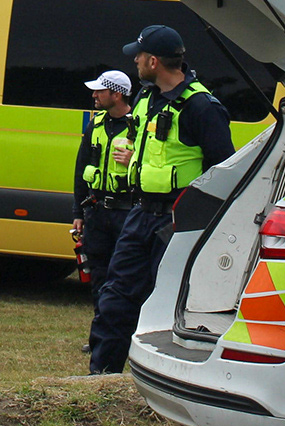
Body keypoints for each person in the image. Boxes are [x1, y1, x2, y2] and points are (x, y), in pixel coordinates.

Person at [87, 26, 233, 375]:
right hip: (140, 214)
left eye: (138, 55)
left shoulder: (202, 107)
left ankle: (160, 379)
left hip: (177, 221)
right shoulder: (144, 98)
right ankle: (100, 377)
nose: (134, 61)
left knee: (165, 304)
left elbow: (224, 170)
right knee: (115, 297)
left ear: (153, 61)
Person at [72, 70, 138, 289]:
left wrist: (134, 160)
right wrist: (78, 213)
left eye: (99, 91)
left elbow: (155, 166)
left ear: (116, 95)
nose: (94, 96)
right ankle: (102, 317)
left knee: (125, 273)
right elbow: (81, 169)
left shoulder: (139, 125)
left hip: (126, 213)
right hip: (97, 212)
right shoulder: (96, 124)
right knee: (98, 274)